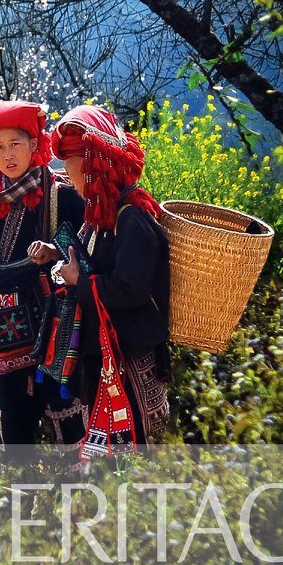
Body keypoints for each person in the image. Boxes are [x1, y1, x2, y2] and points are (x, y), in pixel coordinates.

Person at [37, 104, 172, 454]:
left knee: (133, 449)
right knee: (111, 455)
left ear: (96, 169)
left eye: (75, 169)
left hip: (129, 355)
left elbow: (130, 288)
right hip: (106, 354)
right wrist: (59, 258)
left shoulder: (132, 219)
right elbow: (90, 261)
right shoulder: (101, 216)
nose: (70, 177)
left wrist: (78, 282)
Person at [0, 100, 85, 445]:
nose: (7, 156)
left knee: (69, 433)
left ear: (35, 145)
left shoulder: (61, 196)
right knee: (16, 440)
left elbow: (85, 254)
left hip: (51, 333)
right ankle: (25, 496)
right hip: (7, 336)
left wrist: (54, 253)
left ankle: (78, 496)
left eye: (15, 145)